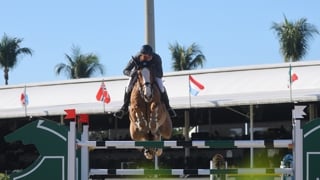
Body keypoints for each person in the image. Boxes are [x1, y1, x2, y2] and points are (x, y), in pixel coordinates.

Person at [114, 44, 176, 119]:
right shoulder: (136, 57)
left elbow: (160, 73)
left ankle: (168, 107)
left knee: (161, 87)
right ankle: (124, 108)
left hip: (152, 75)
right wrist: (131, 73)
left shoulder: (156, 58)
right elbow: (125, 70)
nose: (149, 58)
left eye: (150, 56)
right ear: (141, 55)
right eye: (146, 56)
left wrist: (151, 72)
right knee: (128, 86)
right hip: (138, 74)